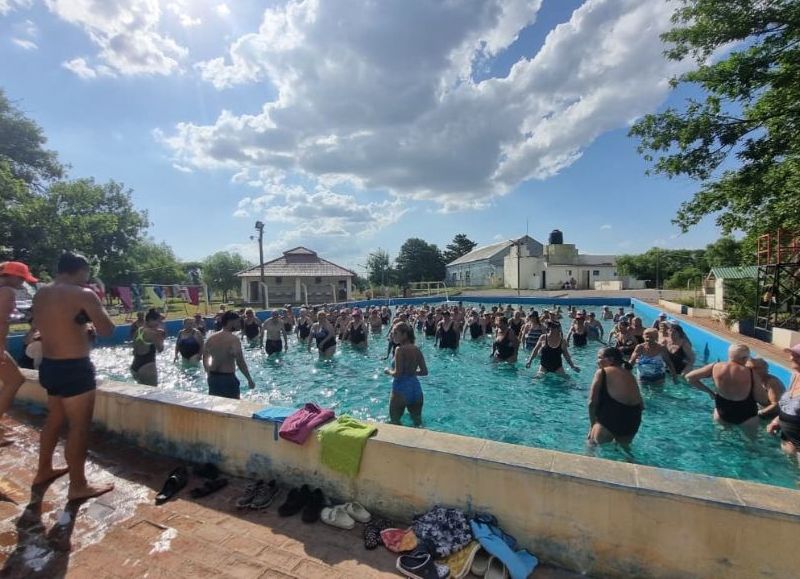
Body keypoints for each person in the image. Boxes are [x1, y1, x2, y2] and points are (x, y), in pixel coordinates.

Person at [31, 252, 115, 499]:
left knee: (54, 419)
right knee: (79, 427)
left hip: (49, 366)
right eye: (86, 273)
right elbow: (107, 330)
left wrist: (80, 321)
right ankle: (78, 485)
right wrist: (92, 312)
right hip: (75, 368)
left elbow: (54, 323)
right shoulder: (83, 294)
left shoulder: (41, 293)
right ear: (81, 270)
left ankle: (43, 470)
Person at [686, 344, 768, 436]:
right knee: (751, 444)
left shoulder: (715, 367)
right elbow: (762, 400)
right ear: (744, 358)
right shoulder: (750, 373)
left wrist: (710, 392)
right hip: (747, 415)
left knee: (721, 440)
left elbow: (689, 378)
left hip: (722, 413)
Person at [0, 261, 38, 446]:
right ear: (12, 275)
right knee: (15, 380)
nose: (23, 282)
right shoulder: (6, 292)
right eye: (22, 278)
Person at [588, 347, 644, 447]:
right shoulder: (630, 375)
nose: (597, 361)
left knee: (592, 444)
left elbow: (592, 402)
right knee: (624, 451)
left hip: (611, 417)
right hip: (633, 420)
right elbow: (641, 405)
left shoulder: (602, 372)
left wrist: (592, 426)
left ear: (611, 360)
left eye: (599, 358)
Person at [203, 311, 257, 399]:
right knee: (233, 407)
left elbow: (205, 357)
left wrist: (208, 373)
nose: (240, 324)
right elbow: (240, 362)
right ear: (231, 322)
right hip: (227, 378)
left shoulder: (211, 338)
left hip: (213, 378)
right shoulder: (233, 339)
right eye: (238, 321)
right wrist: (249, 379)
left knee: (216, 407)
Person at [385, 322, 428, 426]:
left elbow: (397, 374)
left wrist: (387, 371)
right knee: (418, 423)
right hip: (416, 389)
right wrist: (412, 372)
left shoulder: (399, 349)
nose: (393, 335)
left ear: (404, 335)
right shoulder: (416, 349)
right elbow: (424, 372)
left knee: (395, 422)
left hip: (401, 390)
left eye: (396, 333)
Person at [766, 344, 800, 461]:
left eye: (797, 356)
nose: (791, 358)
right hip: (787, 441)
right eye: (792, 354)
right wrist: (777, 420)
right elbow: (788, 405)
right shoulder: (795, 376)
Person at [131, 309, 165, 386]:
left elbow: (134, 349)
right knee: (152, 394)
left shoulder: (139, 330)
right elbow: (160, 349)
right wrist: (161, 337)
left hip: (135, 366)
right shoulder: (153, 333)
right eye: (158, 321)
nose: (159, 324)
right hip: (147, 366)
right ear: (151, 320)